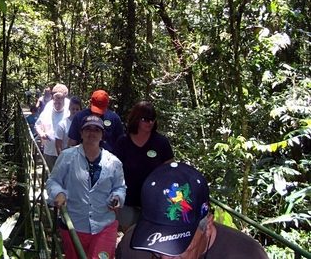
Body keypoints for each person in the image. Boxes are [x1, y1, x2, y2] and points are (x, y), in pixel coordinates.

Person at [116, 162, 269, 259]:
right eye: (156, 246)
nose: (165, 258)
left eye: (178, 247)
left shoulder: (246, 254)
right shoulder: (133, 246)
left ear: (207, 227)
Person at [47, 115, 126, 259]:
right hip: (74, 225)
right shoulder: (67, 156)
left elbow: (120, 187)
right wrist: (58, 193)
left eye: (97, 130)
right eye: (88, 129)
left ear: (102, 135)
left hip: (104, 225)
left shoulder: (114, 162)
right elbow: (53, 181)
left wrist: (117, 197)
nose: (92, 133)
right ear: (81, 133)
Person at [113, 101, 174, 231]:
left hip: (153, 201)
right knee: (130, 236)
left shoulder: (161, 142)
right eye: (145, 119)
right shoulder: (123, 141)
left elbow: (169, 169)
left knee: (149, 235)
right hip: (128, 200)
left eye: (152, 119)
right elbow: (114, 170)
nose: (150, 123)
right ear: (136, 119)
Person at [35, 83, 70, 170]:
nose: (57, 105)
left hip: (65, 152)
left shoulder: (70, 108)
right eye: (55, 103)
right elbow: (37, 125)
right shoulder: (48, 107)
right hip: (49, 151)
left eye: (60, 103)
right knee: (50, 175)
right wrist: (42, 134)